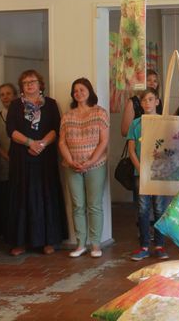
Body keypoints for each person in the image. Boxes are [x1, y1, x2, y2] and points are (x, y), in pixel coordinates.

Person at [7, 70, 66, 256]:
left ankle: (48, 240)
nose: (29, 85)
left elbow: (56, 129)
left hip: (45, 156)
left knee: (45, 195)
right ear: (22, 87)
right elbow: (11, 130)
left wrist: (41, 144)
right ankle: (20, 242)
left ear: (40, 84)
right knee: (22, 196)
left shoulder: (51, 104)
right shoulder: (15, 105)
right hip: (21, 156)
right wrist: (30, 143)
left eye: (32, 81)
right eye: (25, 83)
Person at [58, 78, 109, 258]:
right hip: (71, 166)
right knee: (77, 205)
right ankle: (80, 244)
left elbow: (104, 141)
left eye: (82, 89)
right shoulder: (67, 116)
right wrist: (71, 161)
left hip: (96, 165)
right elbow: (62, 142)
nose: (78, 93)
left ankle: (95, 245)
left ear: (89, 91)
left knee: (94, 205)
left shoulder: (100, 112)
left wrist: (91, 161)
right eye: (75, 90)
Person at [127, 88, 170, 261]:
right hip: (141, 173)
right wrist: (140, 168)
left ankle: (159, 245)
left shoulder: (164, 122)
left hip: (159, 172)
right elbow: (131, 149)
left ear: (157, 101)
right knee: (143, 209)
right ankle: (144, 245)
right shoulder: (136, 124)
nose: (147, 103)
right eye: (144, 100)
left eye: (151, 99)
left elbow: (170, 147)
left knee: (160, 208)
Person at [0, 82, 16, 236]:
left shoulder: (23, 115)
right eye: (2, 94)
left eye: (8, 94)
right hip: (2, 165)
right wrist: (5, 155)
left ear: (15, 95)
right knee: (3, 199)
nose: (6, 97)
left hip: (19, 164)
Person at [119, 69, 161, 137]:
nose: (152, 83)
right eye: (148, 80)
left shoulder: (159, 102)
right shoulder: (132, 102)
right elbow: (124, 131)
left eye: (155, 81)